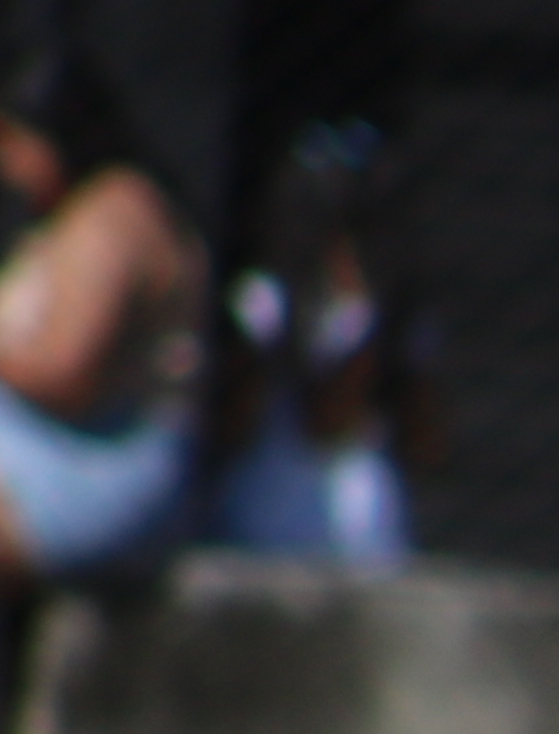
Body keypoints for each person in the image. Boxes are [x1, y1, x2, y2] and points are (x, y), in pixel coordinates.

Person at [0, 23, 202, 596]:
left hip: (84, 472)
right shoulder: (66, 216)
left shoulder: (112, 219)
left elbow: (67, 373)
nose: (7, 168)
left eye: (12, 143)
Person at [201, 117, 427, 570]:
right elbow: (236, 422)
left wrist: (384, 341)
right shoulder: (264, 301)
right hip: (272, 488)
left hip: (359, 505)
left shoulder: (394, 312)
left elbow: (426, 443)